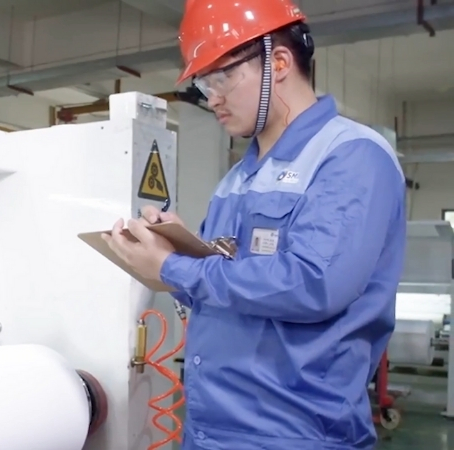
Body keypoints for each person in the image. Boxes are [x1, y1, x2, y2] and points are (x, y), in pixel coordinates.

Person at [102, 0, 407, 448]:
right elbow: (225, 285)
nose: (213, 99)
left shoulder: (352, 155)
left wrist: (174, 269)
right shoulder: (238, 178)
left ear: (279, 62)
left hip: (296, 433)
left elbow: (314, 283)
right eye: (205, 85)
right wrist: (174, 248)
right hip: (210, 427)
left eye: (222, 77)